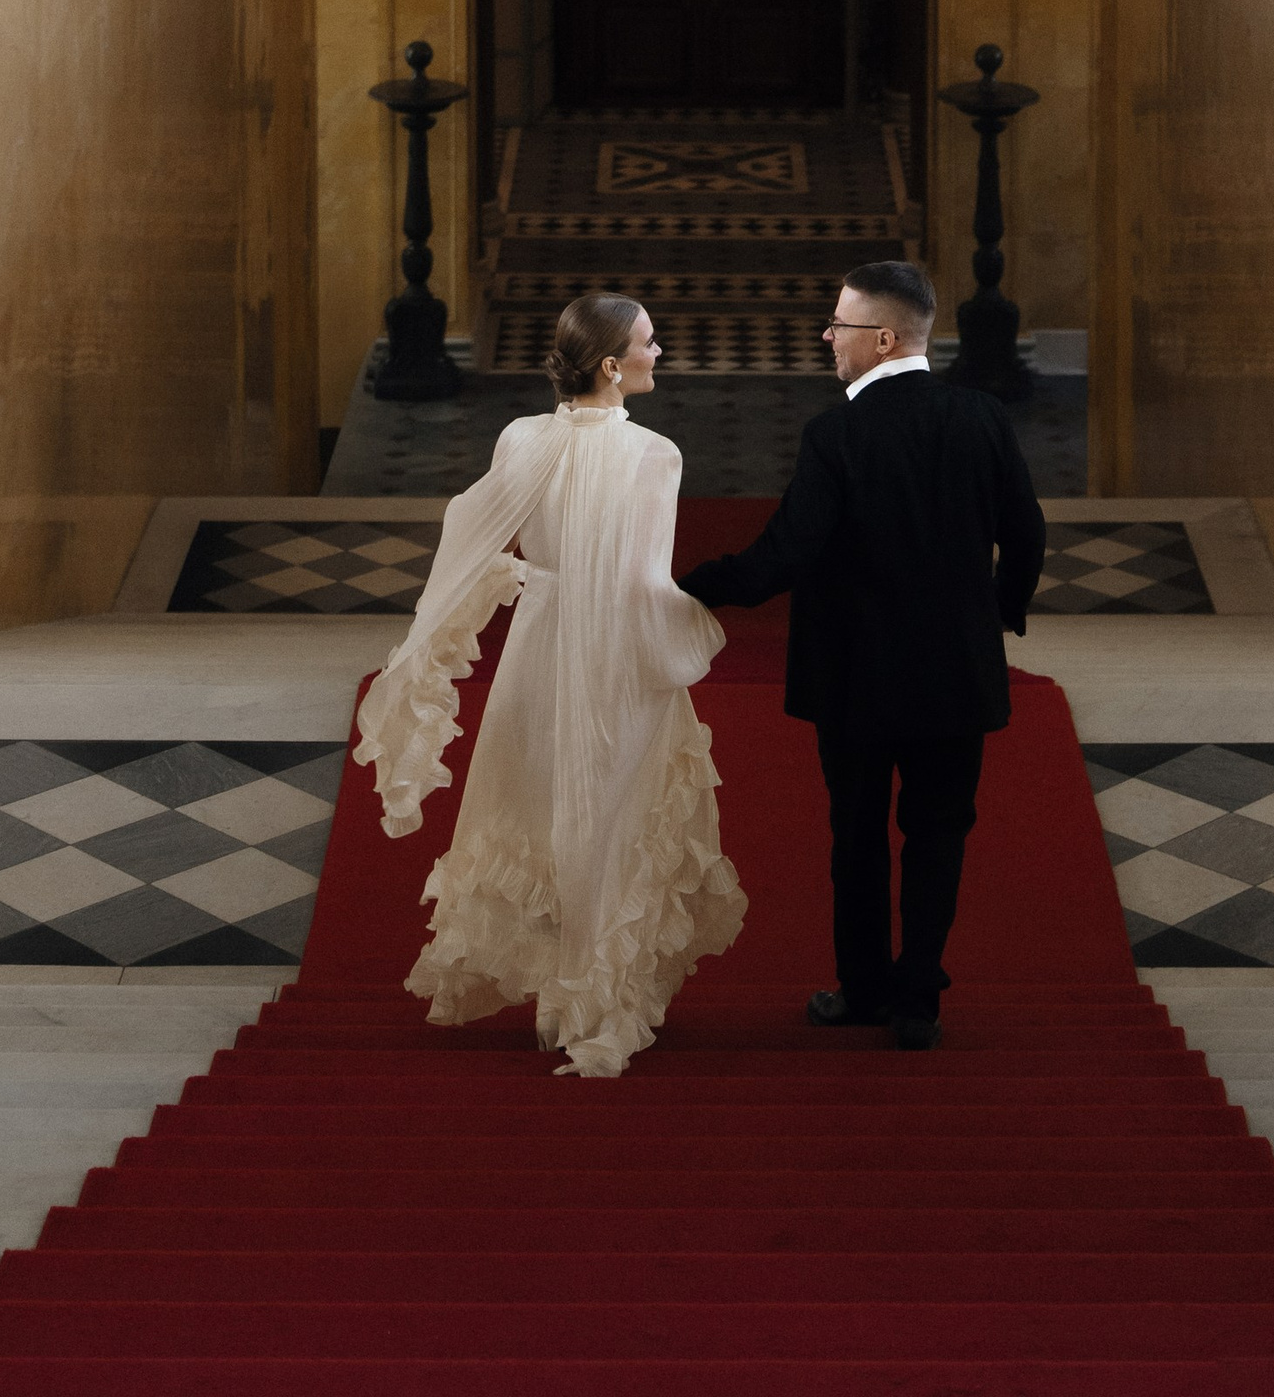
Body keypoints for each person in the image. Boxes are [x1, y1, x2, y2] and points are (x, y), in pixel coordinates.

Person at [353, 290, 747, 1078]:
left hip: (539, 644)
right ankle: (596, 1001)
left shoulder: (520, 439)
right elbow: (643, 585)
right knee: (609, 813)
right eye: (649, 341)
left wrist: (496, 592)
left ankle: (565, 996)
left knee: (541, 806)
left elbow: (470, 525)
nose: (659, 352)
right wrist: (704, 623)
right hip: (617, 658)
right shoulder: (654, 456)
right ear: (610, 365)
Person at [678, 257, 1044, 1049]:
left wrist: (686, 587)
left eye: (838, 324)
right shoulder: (981, 417)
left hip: (856, 679)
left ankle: (865, 990)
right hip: (955, 671)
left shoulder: (837, 432)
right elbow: (1026, 533)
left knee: (858, 834)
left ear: (881, 337)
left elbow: (786, 553)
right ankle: (920, 1001)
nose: (826, 336)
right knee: (939, 831)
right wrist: (998, 612)